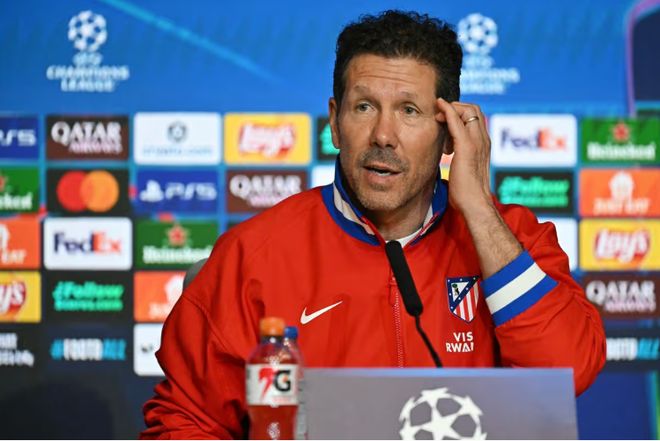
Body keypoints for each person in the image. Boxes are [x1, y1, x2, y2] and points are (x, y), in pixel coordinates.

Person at [141, 10, 605, 439]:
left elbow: (565, 375)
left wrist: (479, 211)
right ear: (335, 122)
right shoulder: (253, 256)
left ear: (449, 133)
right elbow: (186, 422)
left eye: (409, 111)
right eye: (364, 107)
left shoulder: (512, 239)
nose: (383, 135)